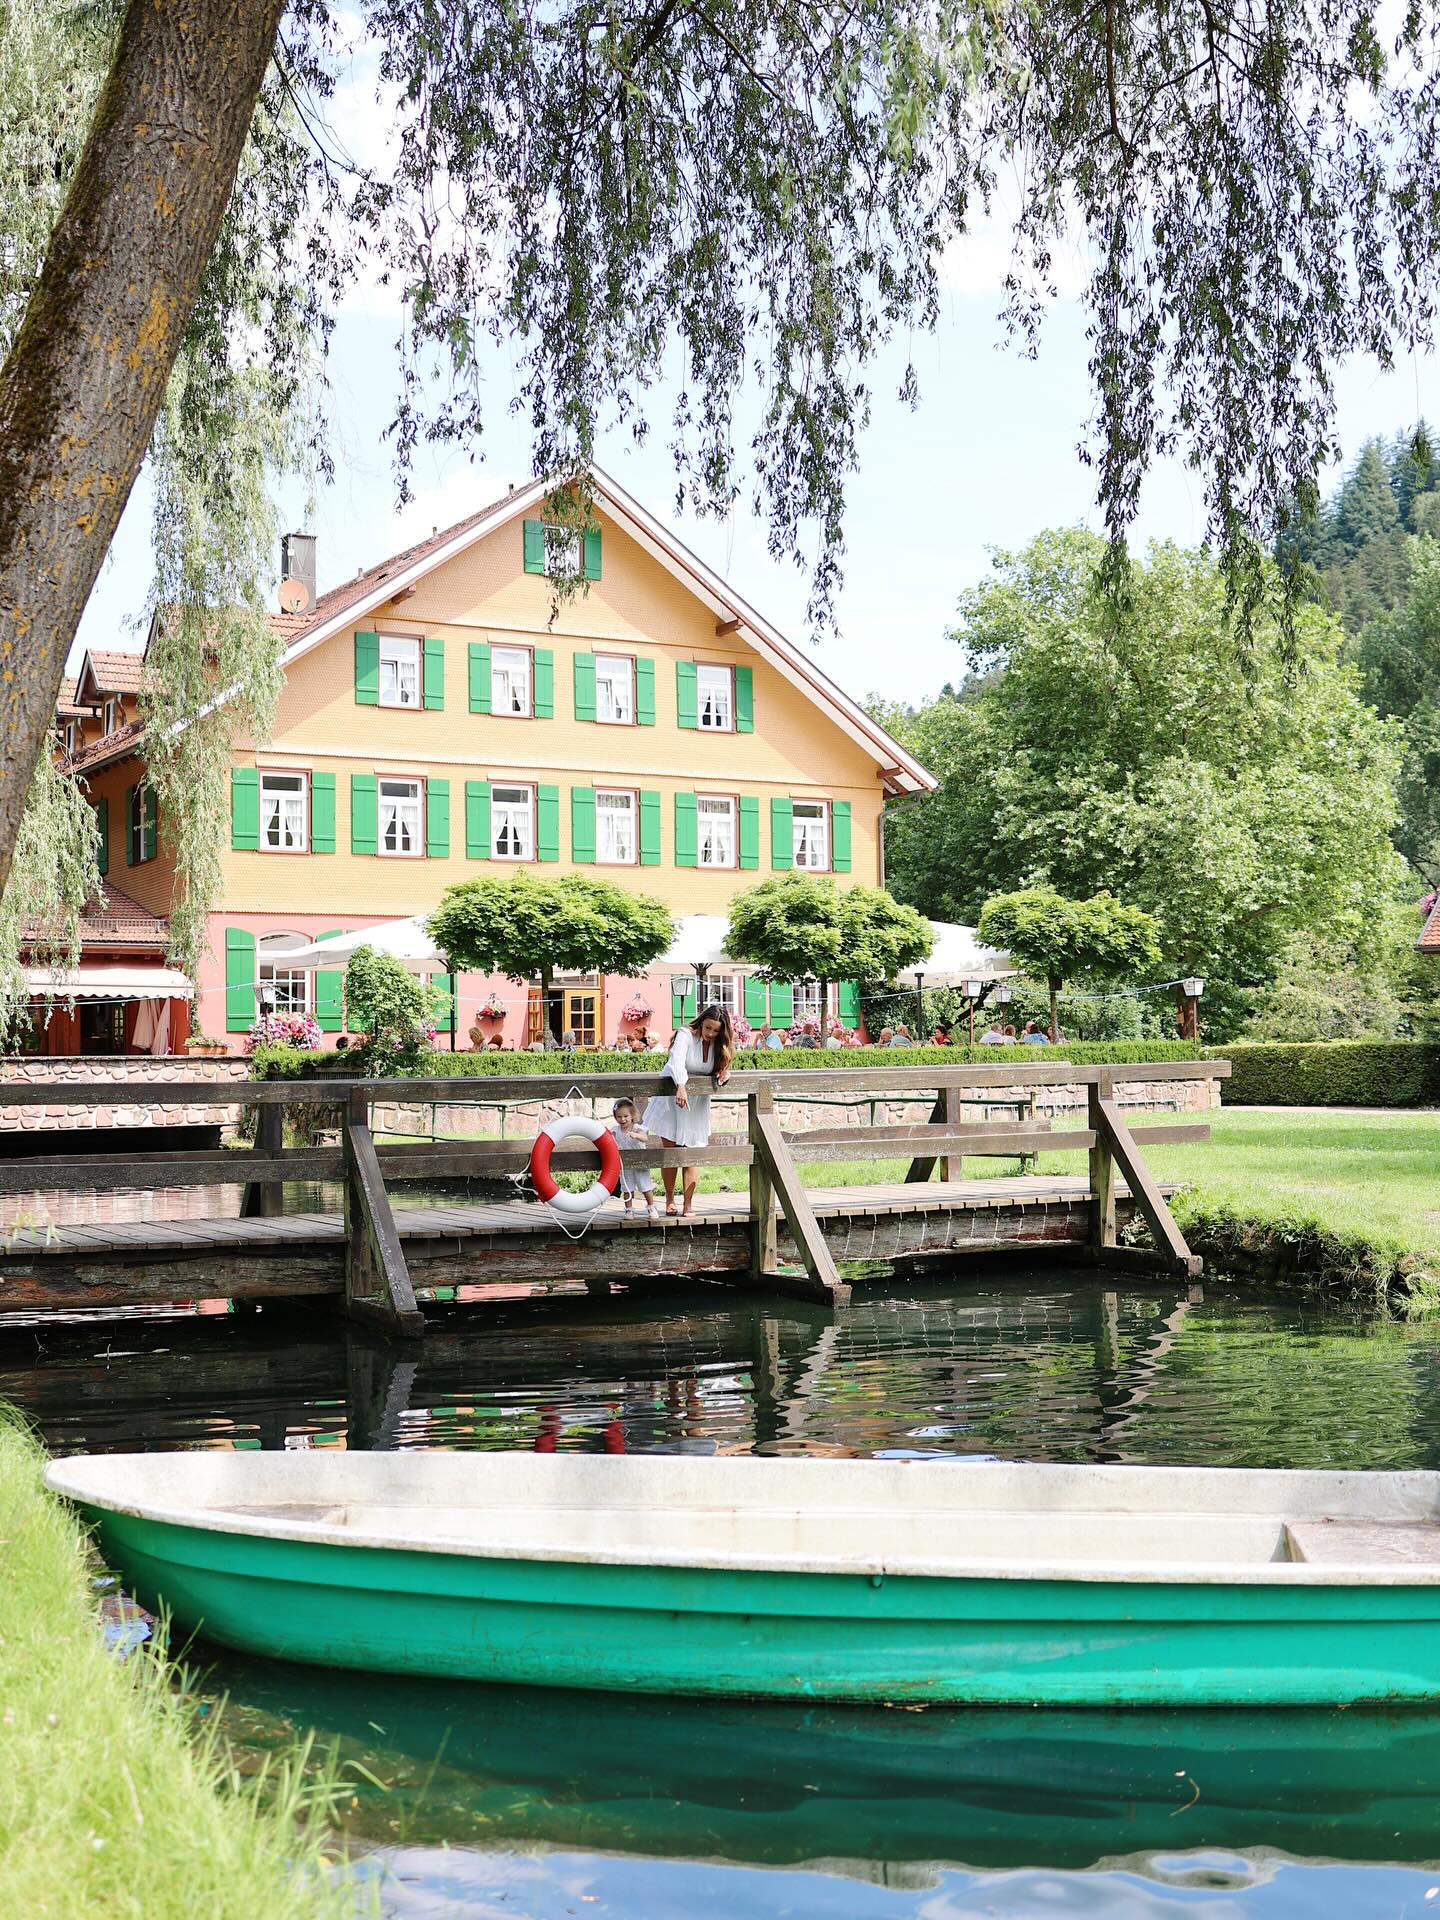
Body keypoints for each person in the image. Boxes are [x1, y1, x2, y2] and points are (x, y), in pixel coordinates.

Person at [643, 1003, 733, 1216]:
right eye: (708, 1027)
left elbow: (718, 1066)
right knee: (672, 1149)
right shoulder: (685, 1034)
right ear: (702, 1022)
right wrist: (681, 1086)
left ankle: (688, 1204)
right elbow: (676, 1062)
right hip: (673, 1097)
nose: (710, 1033)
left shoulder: (718, 1044)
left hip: (697, 1102)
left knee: (692, 1150)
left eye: (716, 1030)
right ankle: (670, 1199)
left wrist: (723, 1072)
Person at [608, 1098, 659, 1223]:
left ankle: (651, 1207)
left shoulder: (637, 1128)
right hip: (625, 1164)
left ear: (632, 1116)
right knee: (627, 1187)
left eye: (626, 1116)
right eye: (619, 1116)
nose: (622, 1119)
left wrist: (636, 1135)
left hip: (640, 1161)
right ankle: (629, 1209)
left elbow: (645, 1137)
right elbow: (609, 1139)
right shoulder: (615, 1130)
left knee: (645, 1185)